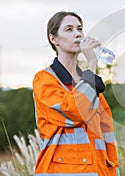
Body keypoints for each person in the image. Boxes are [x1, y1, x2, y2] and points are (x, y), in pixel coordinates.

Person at [33, 11, 119, 175]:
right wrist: (92, 64)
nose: (78, 34)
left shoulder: (88, 83)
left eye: (79, 28)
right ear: (54, 39)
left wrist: (111, 169)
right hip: (62, 170)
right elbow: (74, 112)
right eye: (69, 29)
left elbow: (105, 132)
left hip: (98, 170)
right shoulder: (44, 80)